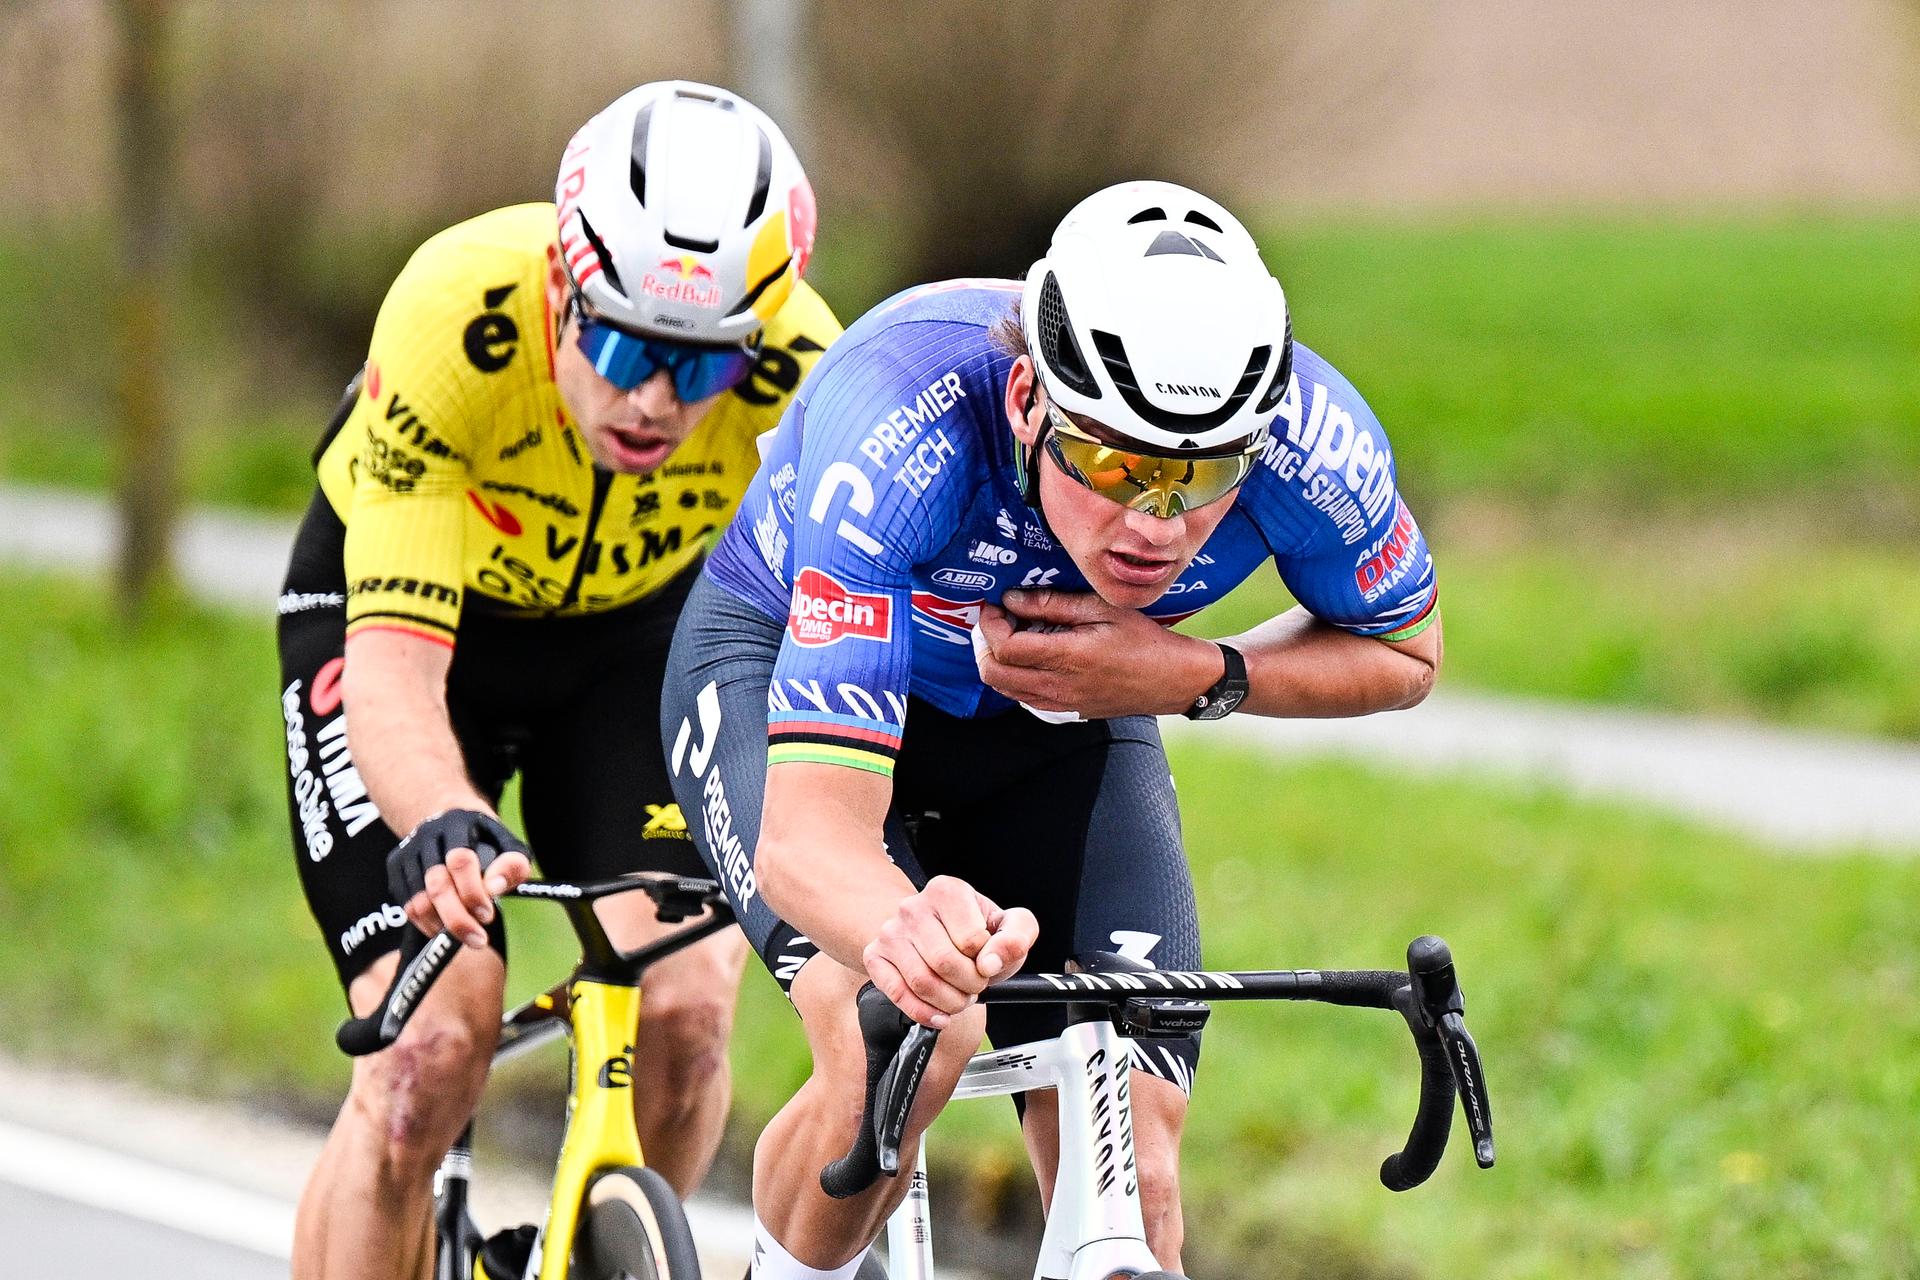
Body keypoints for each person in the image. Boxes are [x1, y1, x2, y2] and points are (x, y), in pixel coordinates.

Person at [661, 180, 1442, 1278]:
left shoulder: (1313, 443)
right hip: (783, 669)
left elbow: (1407, 652)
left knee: (1140, 1166)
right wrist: (903, 928)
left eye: (1204, 474)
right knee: (901, 1046)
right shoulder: (900, 412)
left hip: (1062, 715)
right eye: (1119, 464)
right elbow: (808, 839)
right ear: (1030, 398)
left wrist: (1186, 672)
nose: (1157, 524)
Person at [275, 80, 839, 1280]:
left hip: (636, 638)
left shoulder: (807, 376)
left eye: (702, 366)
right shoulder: (454, 316)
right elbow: (393, 667)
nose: (654, 401)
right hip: (413, 623)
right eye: (625, 345)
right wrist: (440, 813)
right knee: (429, 1043)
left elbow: (835, 643)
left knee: (686, 1010)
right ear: (558, 288)